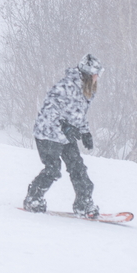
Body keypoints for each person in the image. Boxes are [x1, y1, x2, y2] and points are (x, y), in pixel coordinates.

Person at [23, 54, 103, 218]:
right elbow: (49, 111)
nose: (98, 77)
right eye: (96, 73)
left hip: (65, 135)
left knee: (78, 168)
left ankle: (84, 203)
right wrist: (65, 126)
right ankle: (33, 199)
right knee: (53, 169)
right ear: (88, 73)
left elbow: (78, 114)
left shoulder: (85, 90)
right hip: (47, 133)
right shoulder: (65, 87)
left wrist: (85, 131)